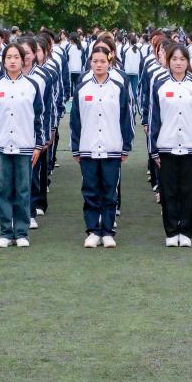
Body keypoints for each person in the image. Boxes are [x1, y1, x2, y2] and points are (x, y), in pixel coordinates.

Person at [0, 43, 45, 248]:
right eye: (8, 57)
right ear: (3, 61)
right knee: (2, 189)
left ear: (22, 60)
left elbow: (39, 118)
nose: (12, 61)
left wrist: (38, 145)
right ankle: (5, 232)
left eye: (16, 57)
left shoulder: (32, 85)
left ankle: (21, 232)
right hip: (1, 146)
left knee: (23, 190)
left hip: (25, 146)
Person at [70, 46, 134, 248]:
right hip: (87, 147)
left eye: (102, 61)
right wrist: (75, 148)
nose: (98, 65)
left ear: (109, 63)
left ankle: (107, 231)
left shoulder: (118, 88)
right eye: (95, 61)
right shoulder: (82, 88)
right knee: (90, 190)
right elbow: (75, 121)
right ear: (90, 63)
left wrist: (126, 146)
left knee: (109, 191)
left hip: (112, 147)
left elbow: (126, 118)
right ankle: (92, 231)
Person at [148, 44, 192, 247]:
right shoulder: (159, 85)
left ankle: (186, 232)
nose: (178, 63)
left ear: (187, 61)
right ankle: (172, 231)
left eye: (182, 59)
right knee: (168, 192)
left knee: (187, 192)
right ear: (168, 61)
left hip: (191, 147)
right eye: (174, 59)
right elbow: (154, 119)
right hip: (166, 147)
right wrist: (153, 150)